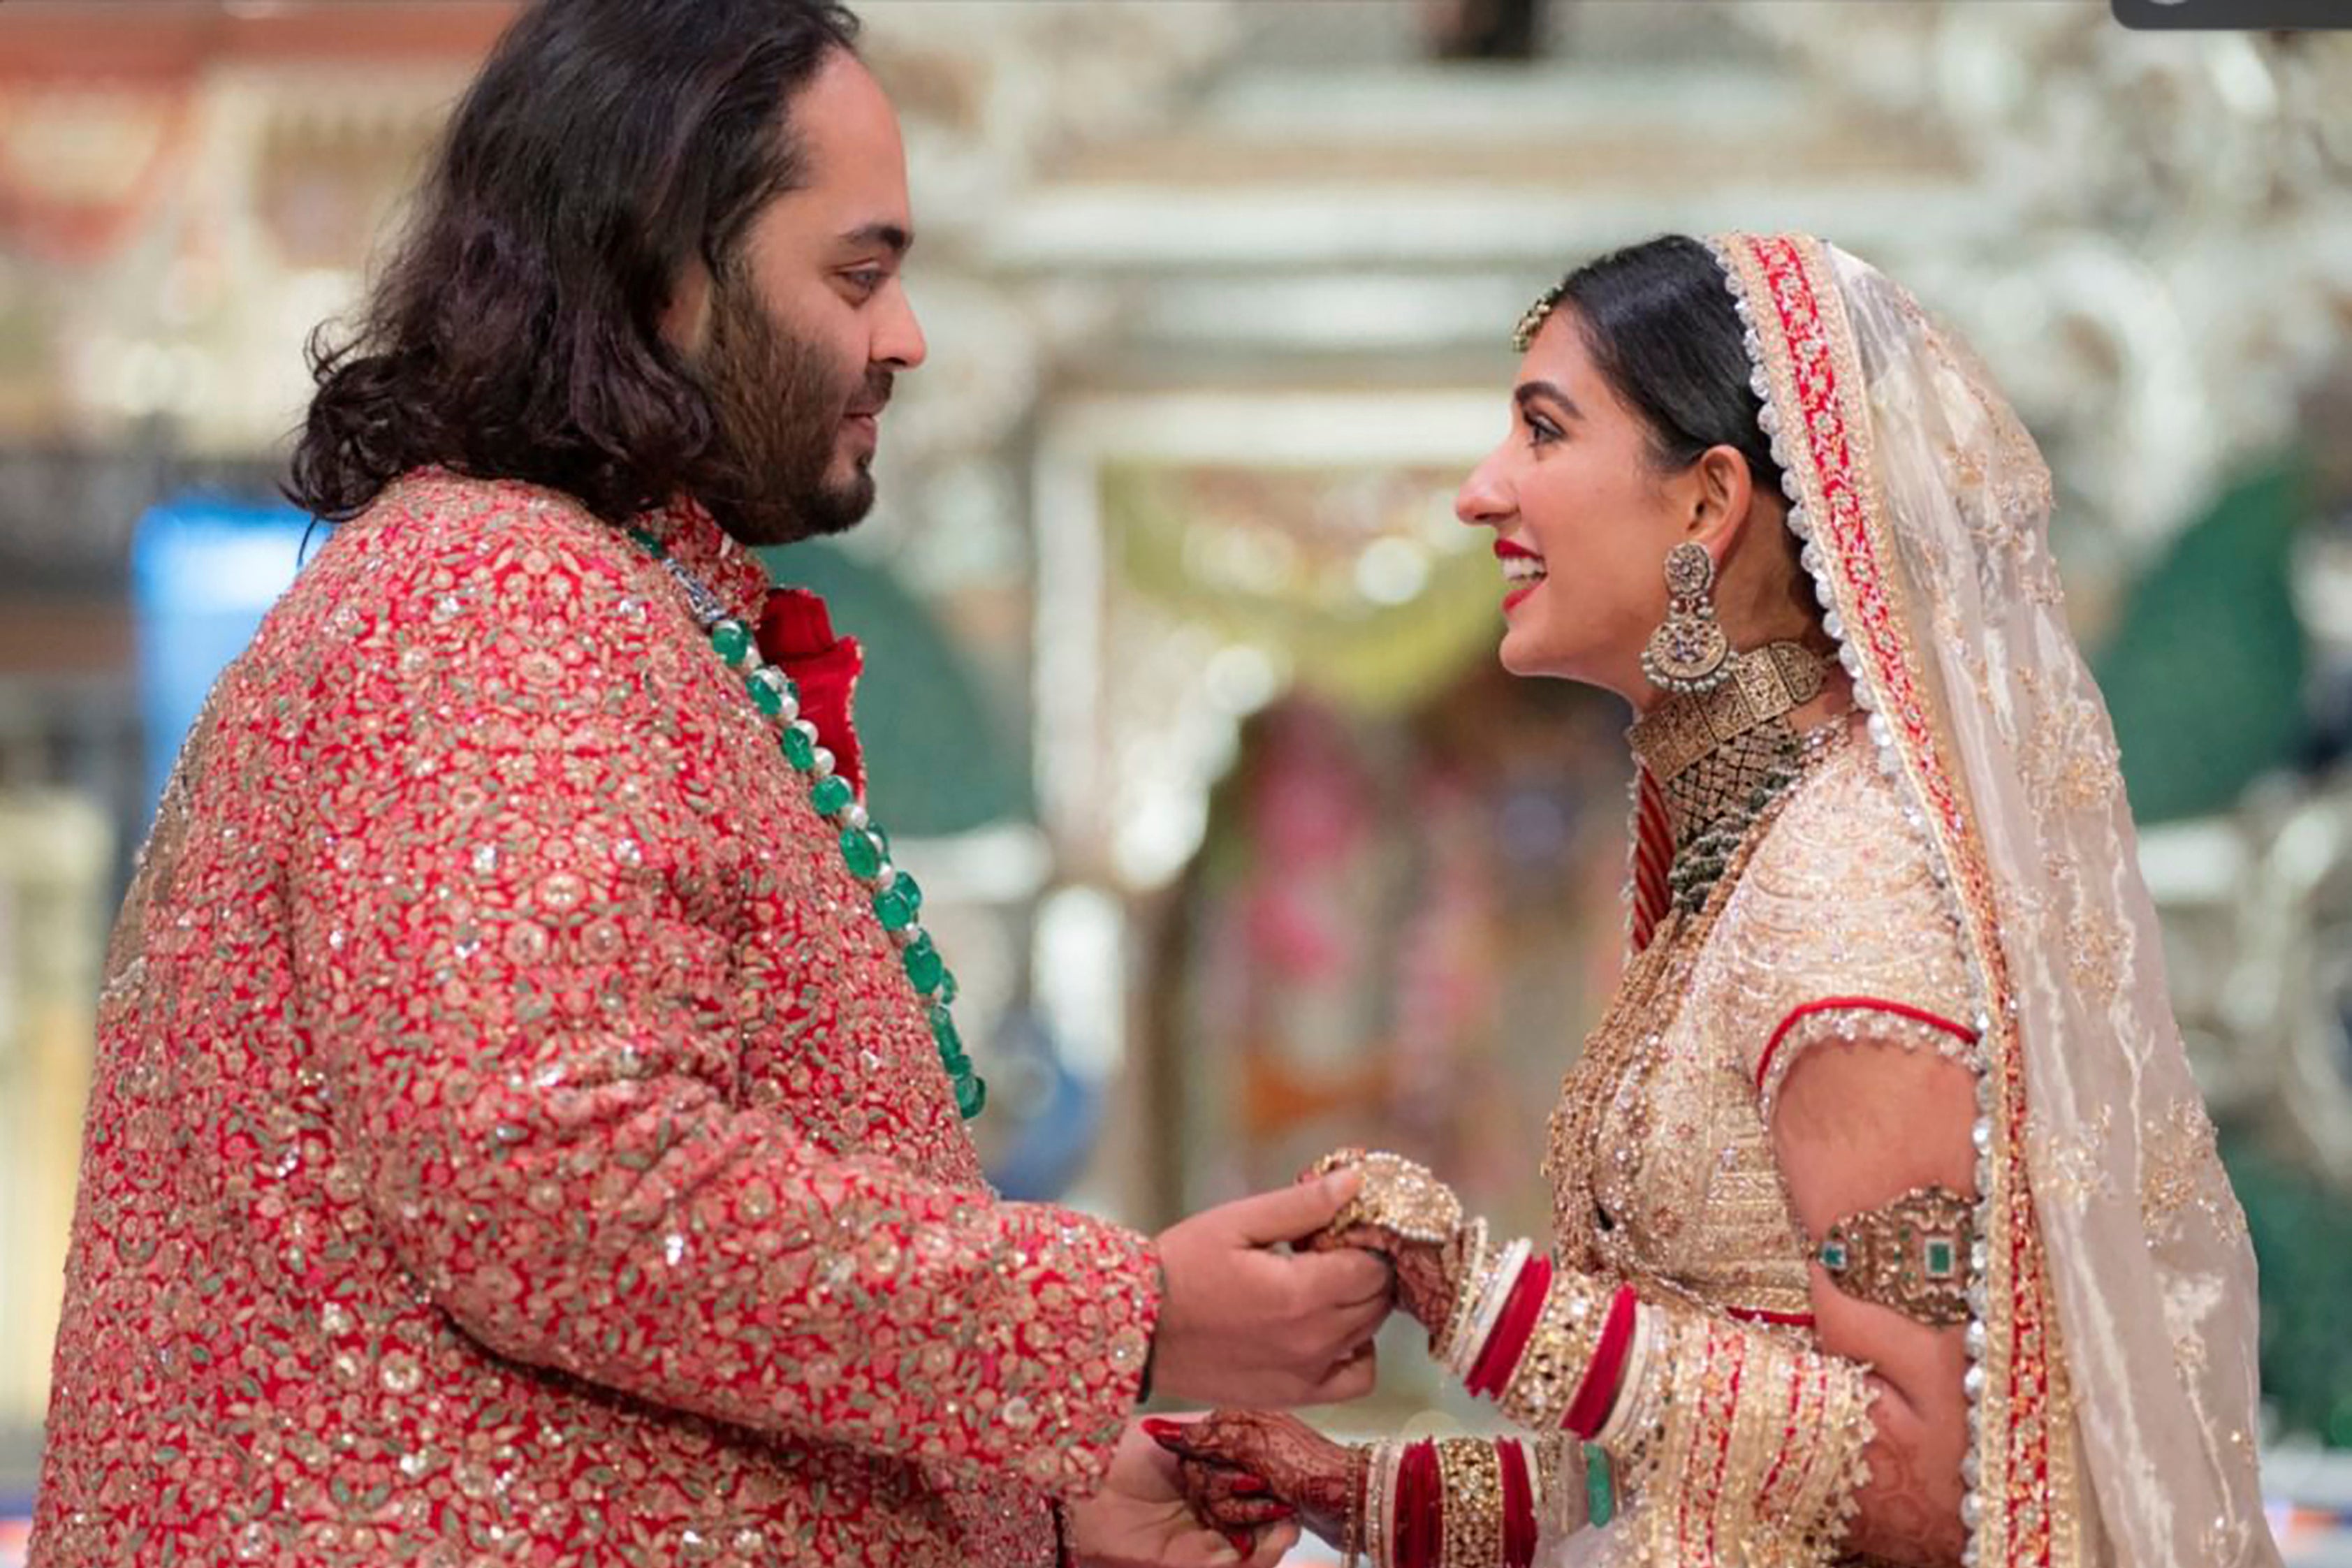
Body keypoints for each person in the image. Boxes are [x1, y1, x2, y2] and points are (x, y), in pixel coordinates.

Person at [28, 3, 1393, 1564]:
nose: (905, 338)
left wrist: (1037, 1499)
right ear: (665, 271)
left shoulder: (602, 603)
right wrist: (1126, 1318)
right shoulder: (497, 599)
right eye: (856, 274)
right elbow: (553, 1177)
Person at [1157, 232, 2279, 1568]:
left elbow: (1931, 1476)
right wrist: (1364, 1495)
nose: (1479, 491)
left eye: (1542, 431)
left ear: (1706, 505)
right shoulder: (1744, 860)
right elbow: (1708, 1464)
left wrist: (1482, 1297)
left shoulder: (1851, 897)